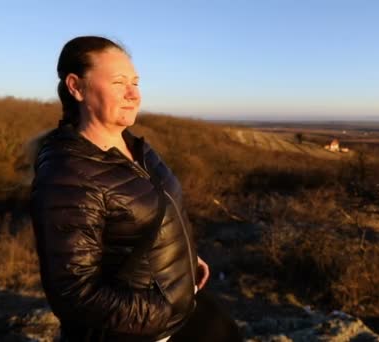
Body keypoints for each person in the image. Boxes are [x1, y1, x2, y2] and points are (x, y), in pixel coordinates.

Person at [30, 36, 241, 341]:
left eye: (136, 82)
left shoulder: (139, 149)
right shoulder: (68, 175)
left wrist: (183, 256)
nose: (134, 94)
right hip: (136, 329)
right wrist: (162, 314)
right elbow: (74, 292)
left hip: (177, 303)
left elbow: (152, 212)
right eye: (118, 83)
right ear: (76, 87)